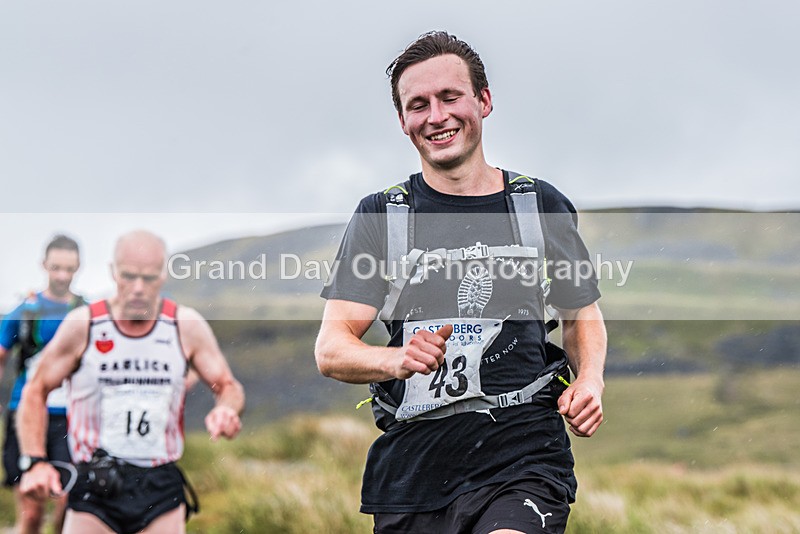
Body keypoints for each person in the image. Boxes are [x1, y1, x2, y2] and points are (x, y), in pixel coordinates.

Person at [315, 31, 606, 534]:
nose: (437, 116)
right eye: (418, 104)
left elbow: (580, 314)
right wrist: (396, 359)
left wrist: (590, 379)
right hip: (414, 470)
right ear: (403, 121)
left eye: (451, 97)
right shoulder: (382, 215)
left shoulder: (539, 205)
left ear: (484, 101)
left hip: (523, 456)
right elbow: (332, 348)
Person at [16, 230, 245, 534]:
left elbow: (227, 385)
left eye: (149, 278)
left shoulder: (184, 325)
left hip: (159, 485)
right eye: (128, 276)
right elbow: (36, 388)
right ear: (113, 272)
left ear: (163, 275)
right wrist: (35, 461)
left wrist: (226, 410)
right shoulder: (84, 325)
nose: (138, 288)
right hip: (95, 485)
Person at [0, 234, 84, 534]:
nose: (62, 275)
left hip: (69, 417)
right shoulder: (25, 311)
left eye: (69, 269)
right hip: (24, 414)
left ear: (78, 268)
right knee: (32, 510)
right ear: (44, 265)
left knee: (70, 500)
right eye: (56, 267)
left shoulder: (84, 314)